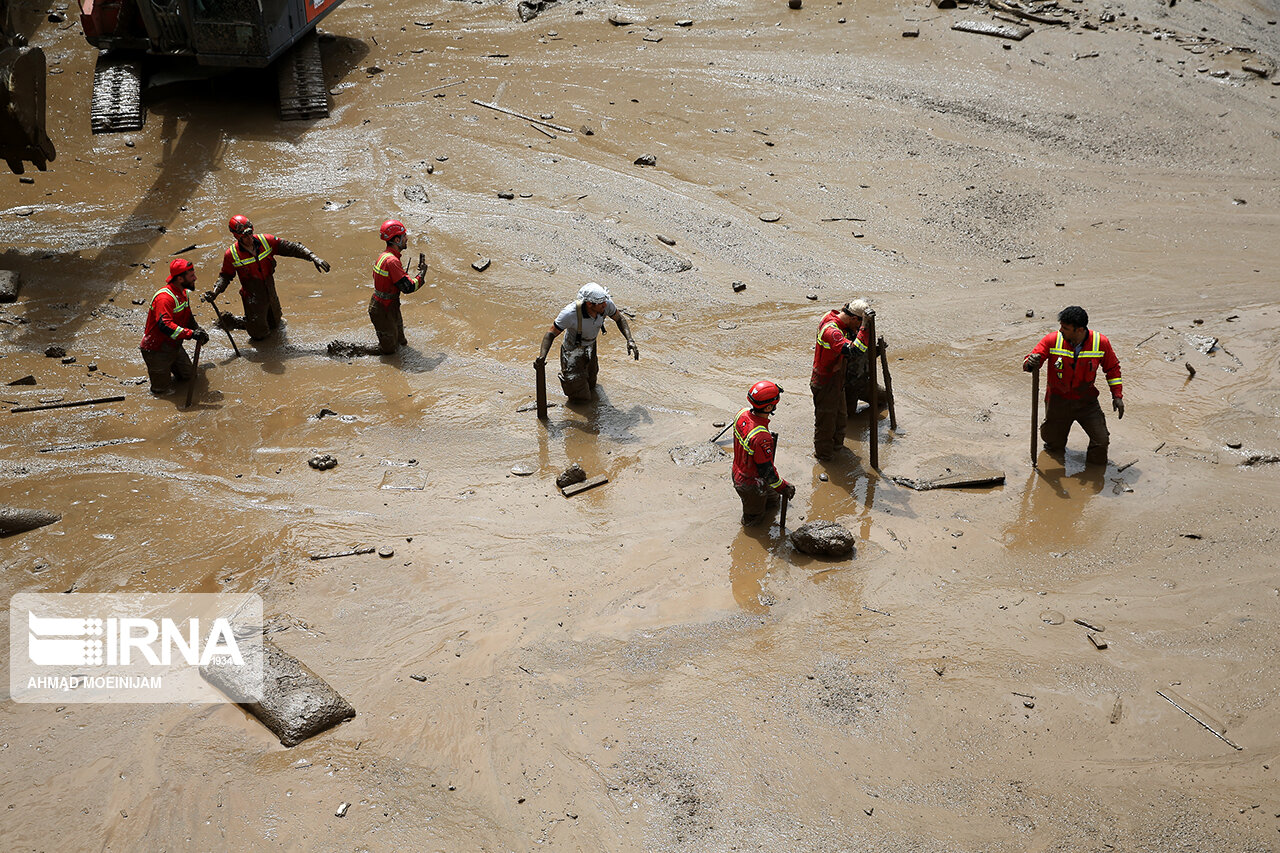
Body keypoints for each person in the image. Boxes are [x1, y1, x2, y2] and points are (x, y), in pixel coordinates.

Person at [1023, 305, 1124, 465]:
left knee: (1101, 441)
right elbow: (1032, 360)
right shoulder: (1052, 340)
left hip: (1087, 402)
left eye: (1065, 328)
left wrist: (1117, 396)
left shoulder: (1100, 342)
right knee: (1053, 446)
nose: (1061, 330)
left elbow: (1112, 369)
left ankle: (1094, 473)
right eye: (1061, 326)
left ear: (1079, 329)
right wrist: (1031, 363)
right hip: (1058, 401)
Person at [203, 214, 329, 340]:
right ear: (236, 236)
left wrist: (313, 257)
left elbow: (292, 248)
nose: (249, 238)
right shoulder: (232, 254)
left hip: (270, 291)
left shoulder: (266, 241)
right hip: (253, 299)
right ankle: (237, 322)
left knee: (276, 325)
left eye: (250, 233)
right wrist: (215, 292)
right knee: (259, 336)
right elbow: (225, 276)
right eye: (245, 236)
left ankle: (244, 321)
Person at [534, 282, 639, 401]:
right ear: (589, 304)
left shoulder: (605, 305)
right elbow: (550, 334)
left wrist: (629, 340)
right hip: (572, 351)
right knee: (580, 397)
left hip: (591, 346)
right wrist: (542, 356)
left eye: (605, 301)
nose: (605, 305)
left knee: (592, 383)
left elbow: (619, 319)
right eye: (601, 304)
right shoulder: (569, 314)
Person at [810, 300, 871, 460]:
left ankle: (837, 448)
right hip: (825, 381)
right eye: (858, 324)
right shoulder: (832, 331)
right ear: (854, 319)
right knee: (826, 423)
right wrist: (865, 328)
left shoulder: (835, 316)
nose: (857, 328)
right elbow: (856, 350)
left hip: (837, 379)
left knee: (841, 418)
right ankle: (824, 457)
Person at [139, 258, 208, 395]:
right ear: (180, 279)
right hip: (156, 350)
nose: (195, 278)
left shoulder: (184, 293)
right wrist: (191, 334)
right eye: (191, 276)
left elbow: (187, 315)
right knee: (161, 391)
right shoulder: (165, 298)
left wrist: (198, 330)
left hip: (173, 345)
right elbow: (165, 325)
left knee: (190, 377)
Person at [732, 381, 796, 526]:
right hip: (751, 484)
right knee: (754, 519)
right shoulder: (762, 438)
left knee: (773, 501)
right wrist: (784, 487)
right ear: (768, 407)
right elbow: (767, 473)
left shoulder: (741, 414)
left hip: (740, 472)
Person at [368, 219, 427, 353]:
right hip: (384, 309)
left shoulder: (384, 256)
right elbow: (408, 288)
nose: (407, 238)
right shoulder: (392, 261)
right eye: (404, 236)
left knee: (401, 342)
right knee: (389, 351)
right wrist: (422, 274)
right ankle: (354, 350)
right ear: (396, 240)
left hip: (388, 305)